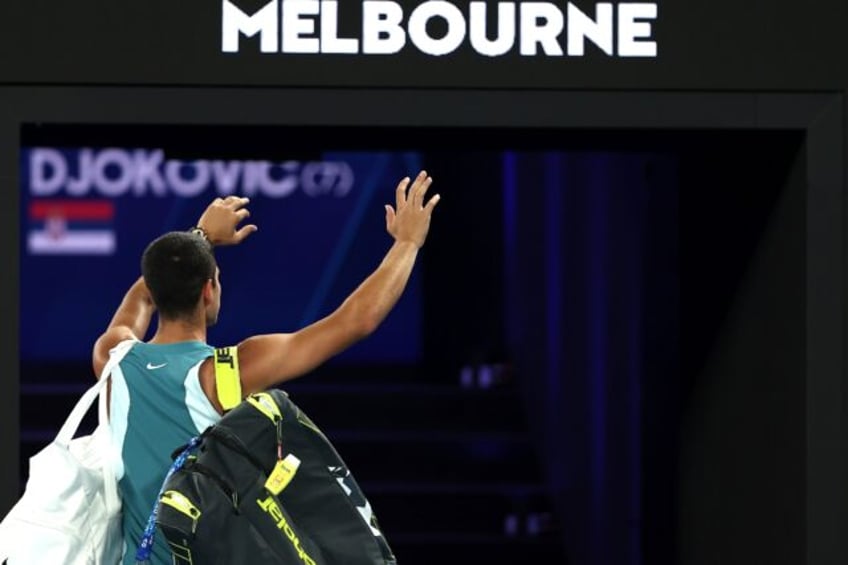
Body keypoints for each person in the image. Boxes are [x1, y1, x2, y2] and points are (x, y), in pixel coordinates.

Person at [92, 171, 440, 564]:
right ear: (209, 289)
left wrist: (201, 236)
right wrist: (408, 242)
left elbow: (144, 294)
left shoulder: (113, 358)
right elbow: (355, 321)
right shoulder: (227, 373)